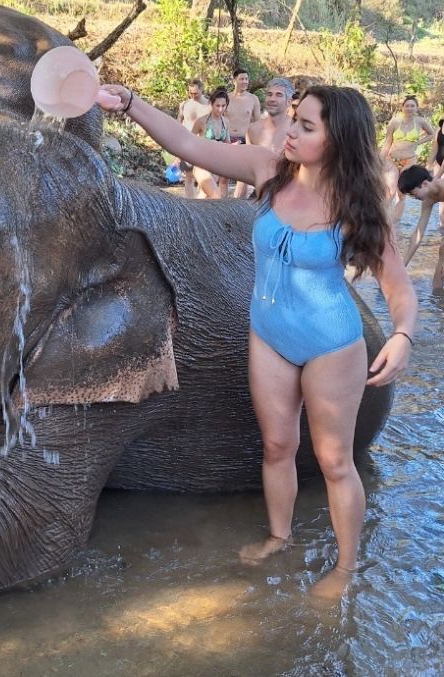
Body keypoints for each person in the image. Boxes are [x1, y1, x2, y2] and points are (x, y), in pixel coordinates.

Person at [100, 83, 417, 600]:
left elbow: (398, 288)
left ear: (338, 140)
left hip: (331, 343)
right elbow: (188, 144)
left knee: (335, 462)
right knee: (277, 446)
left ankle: (345, 567)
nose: (290, 131)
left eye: (307, 126)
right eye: (295, 119)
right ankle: (279, 536)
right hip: (268, 334)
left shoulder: (357, 206)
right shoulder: (269, 170)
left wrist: (402, 335)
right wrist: (131, 104)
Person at [380, 95, 434, 223]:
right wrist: (380, 160)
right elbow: (388, 141)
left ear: (416, 108)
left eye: (412, 106)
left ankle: (395, 223)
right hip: (392, 158)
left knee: (401, 191)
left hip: (409, 159)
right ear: (402, 107)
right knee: (390, 190)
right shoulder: (395, 122)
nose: (409, 108)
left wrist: (418, 142)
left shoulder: (420, 121)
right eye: (407, 105)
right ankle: (382, 219)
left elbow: (432, 134)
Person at [397, 165, 444, 291]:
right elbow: (418, 234)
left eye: (413, 193)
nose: (414, 198)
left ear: (424, 184)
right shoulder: (428, 200)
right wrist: (403, 265)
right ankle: (437, 294)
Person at [226, 69, 262, 199]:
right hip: (227, 140)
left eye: (246, 79)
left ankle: (238, 204)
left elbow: (257, 123)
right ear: (234, 80)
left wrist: (258, 144)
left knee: (242, 178)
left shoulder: (253, 99)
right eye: (242, 79)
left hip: (244, 140)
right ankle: (221, 204)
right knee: (223, 176)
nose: (245, 81)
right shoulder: (227, 98)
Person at [190, 88, 230, 198]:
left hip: (220, 160)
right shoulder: (201, 121)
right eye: (217, 105)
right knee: (211, 193)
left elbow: (228, 143)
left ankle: (224, 212)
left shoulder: (226, 122)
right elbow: (190, 140)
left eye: (223, 106)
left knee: (219, 189)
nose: (220, 109)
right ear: (211, 104)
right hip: (204, 161)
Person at [176, 78, 211, 198]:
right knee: (189, 176)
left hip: (203, 144)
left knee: (204, 176)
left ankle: (202, 203)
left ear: (202, 90)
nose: (193, 95)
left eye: (195, 93)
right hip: (186, 144)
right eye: (190, 92)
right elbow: (179, 125)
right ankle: (190, 202)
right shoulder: (184, 105)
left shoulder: (209, 105)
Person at [247, 77, 294, 156]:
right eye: (269, 94)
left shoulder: (296, 130)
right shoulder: (253, 130)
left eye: (279, 95)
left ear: (289, 102)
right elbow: (248, 163)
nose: (272, 99)